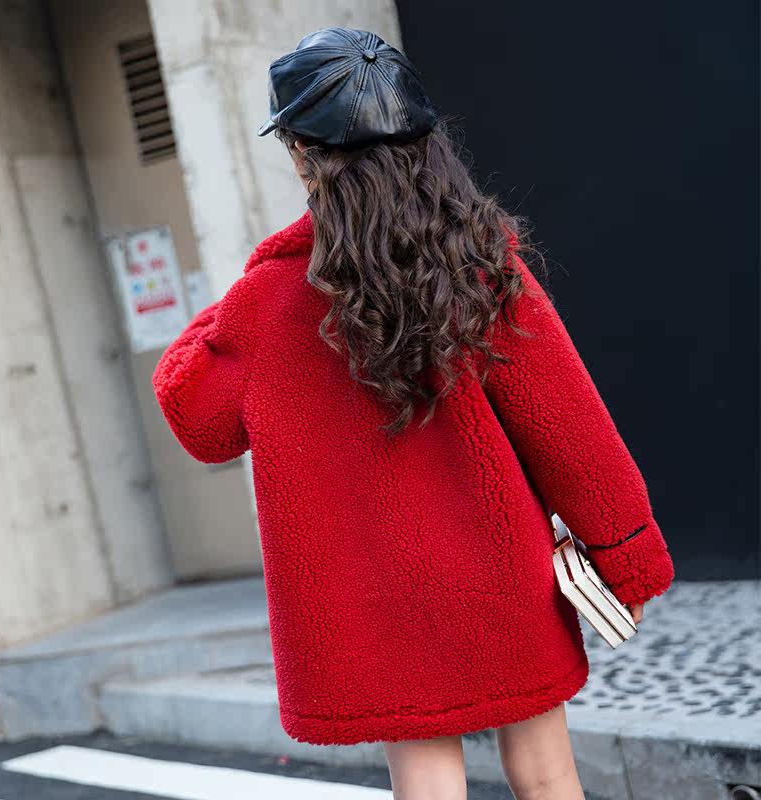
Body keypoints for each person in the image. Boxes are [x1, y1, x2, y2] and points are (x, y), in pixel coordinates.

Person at [152, 26, 675, 800]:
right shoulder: (480, 263)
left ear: (303, 155)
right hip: (505, 576)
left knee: (428, 787)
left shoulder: (269, 297)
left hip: (378, 610)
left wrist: (254, 278)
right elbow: (570, 428)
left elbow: (198, 419)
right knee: (547, 775)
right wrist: (626, 551)